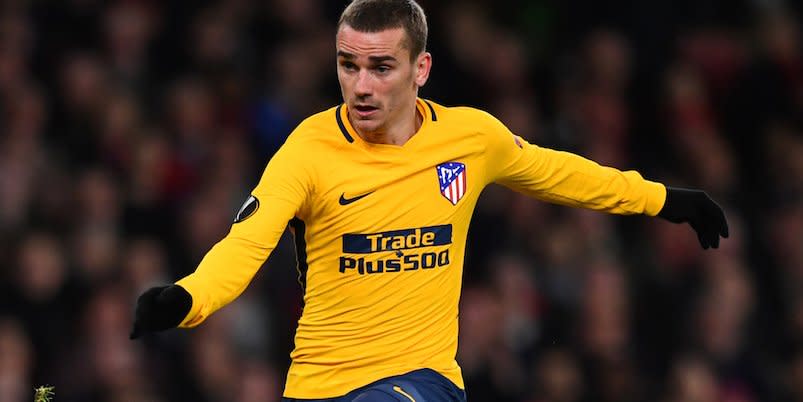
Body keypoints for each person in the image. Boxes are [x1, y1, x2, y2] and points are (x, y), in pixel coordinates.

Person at [129, 1, 729, 401]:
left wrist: (663, 200)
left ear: (421, 68)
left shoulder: (471, 138)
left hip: (422, 381)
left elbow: (562, 174)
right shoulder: (307, 150)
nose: (361, 86)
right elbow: (245, 245)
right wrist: (187, 299)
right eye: (348, 66)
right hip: (316, 386)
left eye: (381, 67)